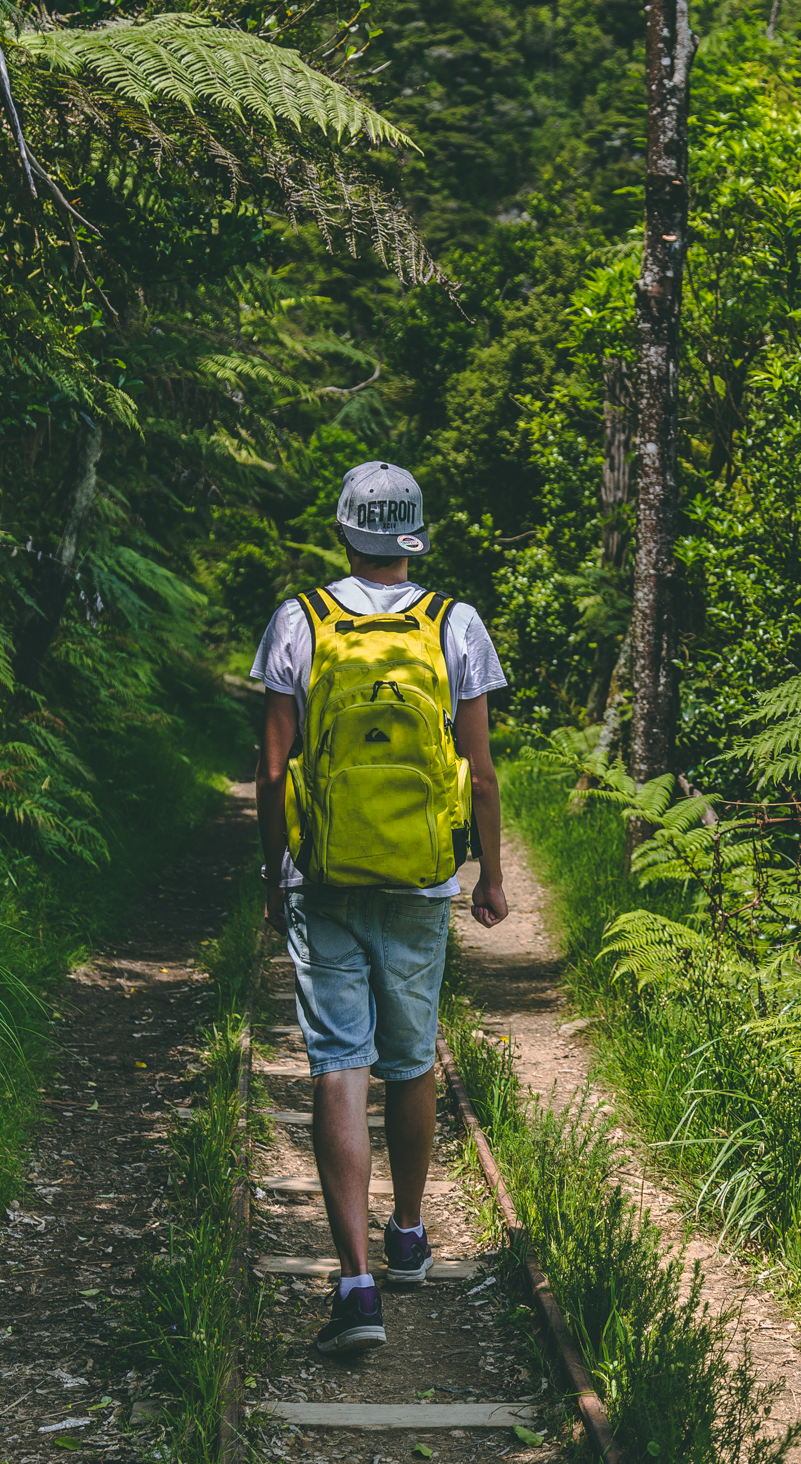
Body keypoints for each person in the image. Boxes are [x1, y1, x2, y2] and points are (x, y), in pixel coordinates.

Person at [251, 460, 510, 1355]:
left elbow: (276, 770)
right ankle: (408, 1235)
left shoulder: (301, 619)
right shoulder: (455, 623)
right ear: (414, 533)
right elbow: (479, 772)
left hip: (323, 881)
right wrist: (491, 877)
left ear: (345, 531)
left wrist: (274, 869)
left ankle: (356, 1285)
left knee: (338, 1063)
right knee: (411, 1060)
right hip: (419, 883)